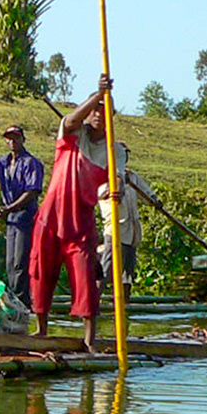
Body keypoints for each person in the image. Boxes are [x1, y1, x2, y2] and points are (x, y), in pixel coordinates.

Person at [28, 75, 114, 350]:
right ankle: (41, 329)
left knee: (86, 278)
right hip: (51, 217)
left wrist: (118, 188)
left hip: (80, 223)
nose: (99, 115)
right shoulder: (73, 131)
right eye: (95, 110)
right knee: (41, 271)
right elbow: (72, 119)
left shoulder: (113, 150)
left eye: (104, 111)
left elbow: (118, 177)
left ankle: (89, 339)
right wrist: (97, 95)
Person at [0, 124, 43, 308]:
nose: (12, 141)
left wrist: (8, 208)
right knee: (10, 264)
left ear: (23, 139)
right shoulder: (4, 162)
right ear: (6, 140)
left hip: (25, 218)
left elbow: (32, 192)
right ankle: (16, 303)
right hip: (11, 220)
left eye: (16, 137)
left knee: (20, 264)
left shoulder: (31, 163)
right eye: (9, 138)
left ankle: (21, 305)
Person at [96, 141, 154, 296]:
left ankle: (124, 302)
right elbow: (99, 195)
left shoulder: (132, 177)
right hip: (115, 227)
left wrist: (155, 200)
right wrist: (115, 187)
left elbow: (147, 195)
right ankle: (94, 300)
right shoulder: (102, 175)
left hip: (132, 229)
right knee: (107, 266)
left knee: (128, 271)